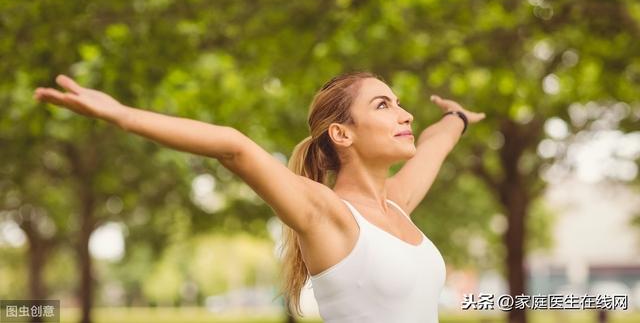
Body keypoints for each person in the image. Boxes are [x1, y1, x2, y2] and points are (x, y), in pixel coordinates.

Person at [34, 71, 485, 322]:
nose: (404, 113)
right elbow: (233, 146)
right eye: (383, 105)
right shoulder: (328, 215)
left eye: (400, 102)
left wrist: (458, 118)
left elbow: (435, 144)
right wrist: (121, 114)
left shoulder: (397, 206)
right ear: (341, 133)